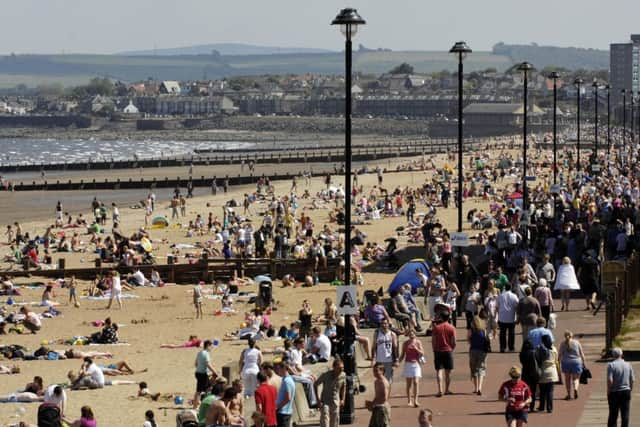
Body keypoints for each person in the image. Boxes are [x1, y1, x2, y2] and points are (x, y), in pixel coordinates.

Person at [314, 358, 346, 427]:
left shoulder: (343, 375)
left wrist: (343, 399)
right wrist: (318, 400)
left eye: (342, 368)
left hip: (335, 402)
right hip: (325, 402)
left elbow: (344, 386)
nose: (341, 370)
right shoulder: (325, 375)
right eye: (339, 368)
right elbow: (315, 385)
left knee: (334, 423)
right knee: (325, 422)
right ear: (334, 367)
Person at [607, 347, 635, 427]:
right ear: (622, 354)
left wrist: (608, 391)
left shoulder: (611, 365)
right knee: (625, 414)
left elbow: (610, 380)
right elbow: (632, 379)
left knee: (613, 415)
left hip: (614, 392)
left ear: (613, 355)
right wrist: (630, 389)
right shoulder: (628, 364)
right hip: (626, 391)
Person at [431, 310, 456, 397]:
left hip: (438, 351)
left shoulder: (436, 328)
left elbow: (433, 340)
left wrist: (434, 349)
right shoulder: (451, 328)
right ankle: (447, 389)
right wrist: (451, 348)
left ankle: (440, 390)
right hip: (448, 351)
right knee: (448, 372)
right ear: (448, 317)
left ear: (441, 317)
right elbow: (454, 342)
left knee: (439, 371)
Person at [558, 330, 586, 400]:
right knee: (576, 378)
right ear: (572, 336)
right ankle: (575, 389)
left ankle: (568, 394)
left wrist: (558, 362)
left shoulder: (562, 343)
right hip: (576, 362)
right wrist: (584, 363)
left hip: (566, 362)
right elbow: (581, 353)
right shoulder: (577, 342)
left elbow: (560, 354)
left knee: (567, 379)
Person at [399, 329, 424, 407]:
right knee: (409, 384)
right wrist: (398, 362)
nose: (411, 335)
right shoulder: (405, 343)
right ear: (408, 335)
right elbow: (403, 354)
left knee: (416, 382)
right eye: (410, 334)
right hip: (408, 364)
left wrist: (416, 349)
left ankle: (416, 400)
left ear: (415, 334)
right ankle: (409, 400)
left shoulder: (418, 342)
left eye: (412, 334)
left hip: (416, 364)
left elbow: (422, 353)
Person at [536, 334, 560, 413]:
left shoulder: (540, 349)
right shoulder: (554, 349)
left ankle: (542, 406)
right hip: (552, 371)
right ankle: (550, 408)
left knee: (542, 391)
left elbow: (537, 359)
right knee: (550, 391)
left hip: (543, 371)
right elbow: (557, 360)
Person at [371, 319, 398, 384]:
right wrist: (373, 359)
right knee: (379, 379)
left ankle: (387, 394)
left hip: (389, 360)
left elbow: (395, 348)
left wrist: (396, 360)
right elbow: (374, 347)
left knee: (388, 380)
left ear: (388, 325)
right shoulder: (377, 333)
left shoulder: (392, 334)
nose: (384, 325)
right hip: (379, 360)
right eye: (382, 323)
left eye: (385, 323)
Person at [468, 315, 489, 395]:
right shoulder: (483, 330)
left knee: (474, 369)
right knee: (481, 368)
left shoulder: (471, 330)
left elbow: (469, 340)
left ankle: (476, 388)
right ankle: (480, 387)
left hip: (473, 350)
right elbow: (487, 339)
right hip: (483, 351)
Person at [194, 340, 217, 409]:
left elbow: (196, 363)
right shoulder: (206, 354)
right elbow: (208, 364)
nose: (211, 348)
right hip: (202, 374)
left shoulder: (199, 353)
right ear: (208, 346)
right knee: (201, 390)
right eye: (211, 347)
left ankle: (198, 404)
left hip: (198, 373)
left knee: (205, 389)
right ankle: (198, 406)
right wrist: (214, 372)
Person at [365, 363, 391, 427]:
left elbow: (384, 398)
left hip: (382, 409)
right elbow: (377, 396)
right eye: (374, 371)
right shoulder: (376, 381)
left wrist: (372, 403)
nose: (375, 373)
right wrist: (372, 404)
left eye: (376, 371)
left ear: (382, 371)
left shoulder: (383, 382)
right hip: (377, 407)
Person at [497, 284, 519, 353]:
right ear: (511, 288)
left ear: (504, 288)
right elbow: (517, 305)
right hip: (511, 317)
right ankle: (511, 347)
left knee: (502, 333)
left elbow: (497, 305)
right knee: (511, 333)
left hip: (502, 317)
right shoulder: (514, 296)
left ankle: (502, 347)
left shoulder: (500, 296)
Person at [519, 339, 539, 412]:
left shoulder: (522, 353)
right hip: (533, 373)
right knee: (532, 391)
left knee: (525, 390)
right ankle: (532, 406)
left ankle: (525, 405)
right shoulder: (533, 352)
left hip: (525, 373)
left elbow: (522, 362)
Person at [275, 361, 295, 427]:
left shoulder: (287, 381)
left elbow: (287, 398)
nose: (277, 370)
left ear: (283, 368)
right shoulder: (286, 379)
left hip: (283, 413)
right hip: (284, 412)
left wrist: (278, 407)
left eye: (278, 368)